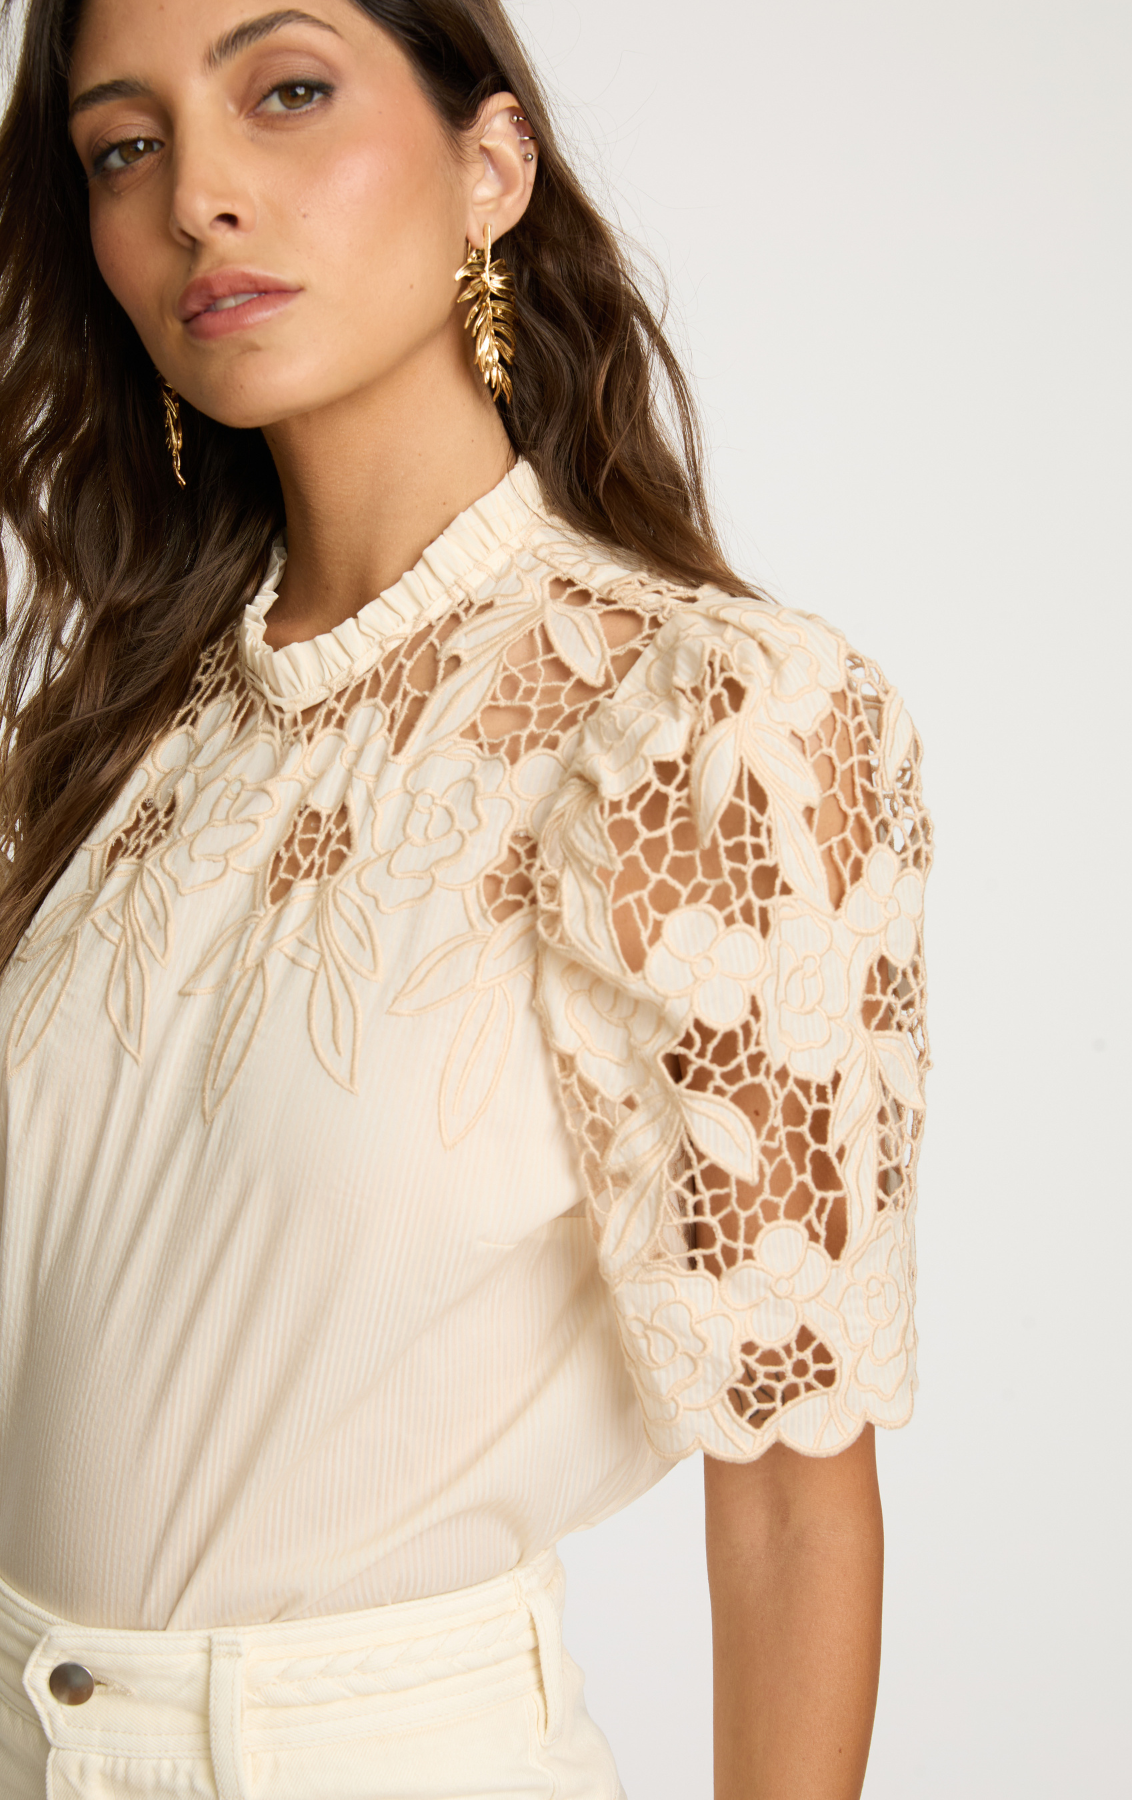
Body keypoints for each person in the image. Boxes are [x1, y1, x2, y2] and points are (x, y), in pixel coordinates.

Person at [0, 0, 932, 1795]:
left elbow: (795, 1490)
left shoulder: (695, 724)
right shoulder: (107, 738)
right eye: (125, 146)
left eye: (285, 93)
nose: (200, 195)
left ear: (488, 168)